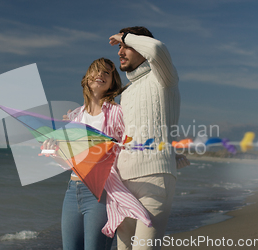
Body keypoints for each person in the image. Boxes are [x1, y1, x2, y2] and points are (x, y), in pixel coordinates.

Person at [44, 58, 145, 250]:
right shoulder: (76, 116)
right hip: (72, 191)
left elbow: (132, 144)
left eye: (107, 72)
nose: (101, 74)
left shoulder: (117, 113)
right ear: (86, 79)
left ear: (113, 82)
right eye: (96, 71)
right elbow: (68, 162)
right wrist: (52, 150)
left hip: (101, 193)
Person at [109, 26, 189, 249]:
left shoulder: (164, 77)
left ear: (140, 47)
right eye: (120, 48)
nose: (120, 52)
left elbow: (157, 49)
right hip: (122, 182)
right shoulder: (124, 93)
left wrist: (125, 36)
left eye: (126, 47)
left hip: (155, 177)